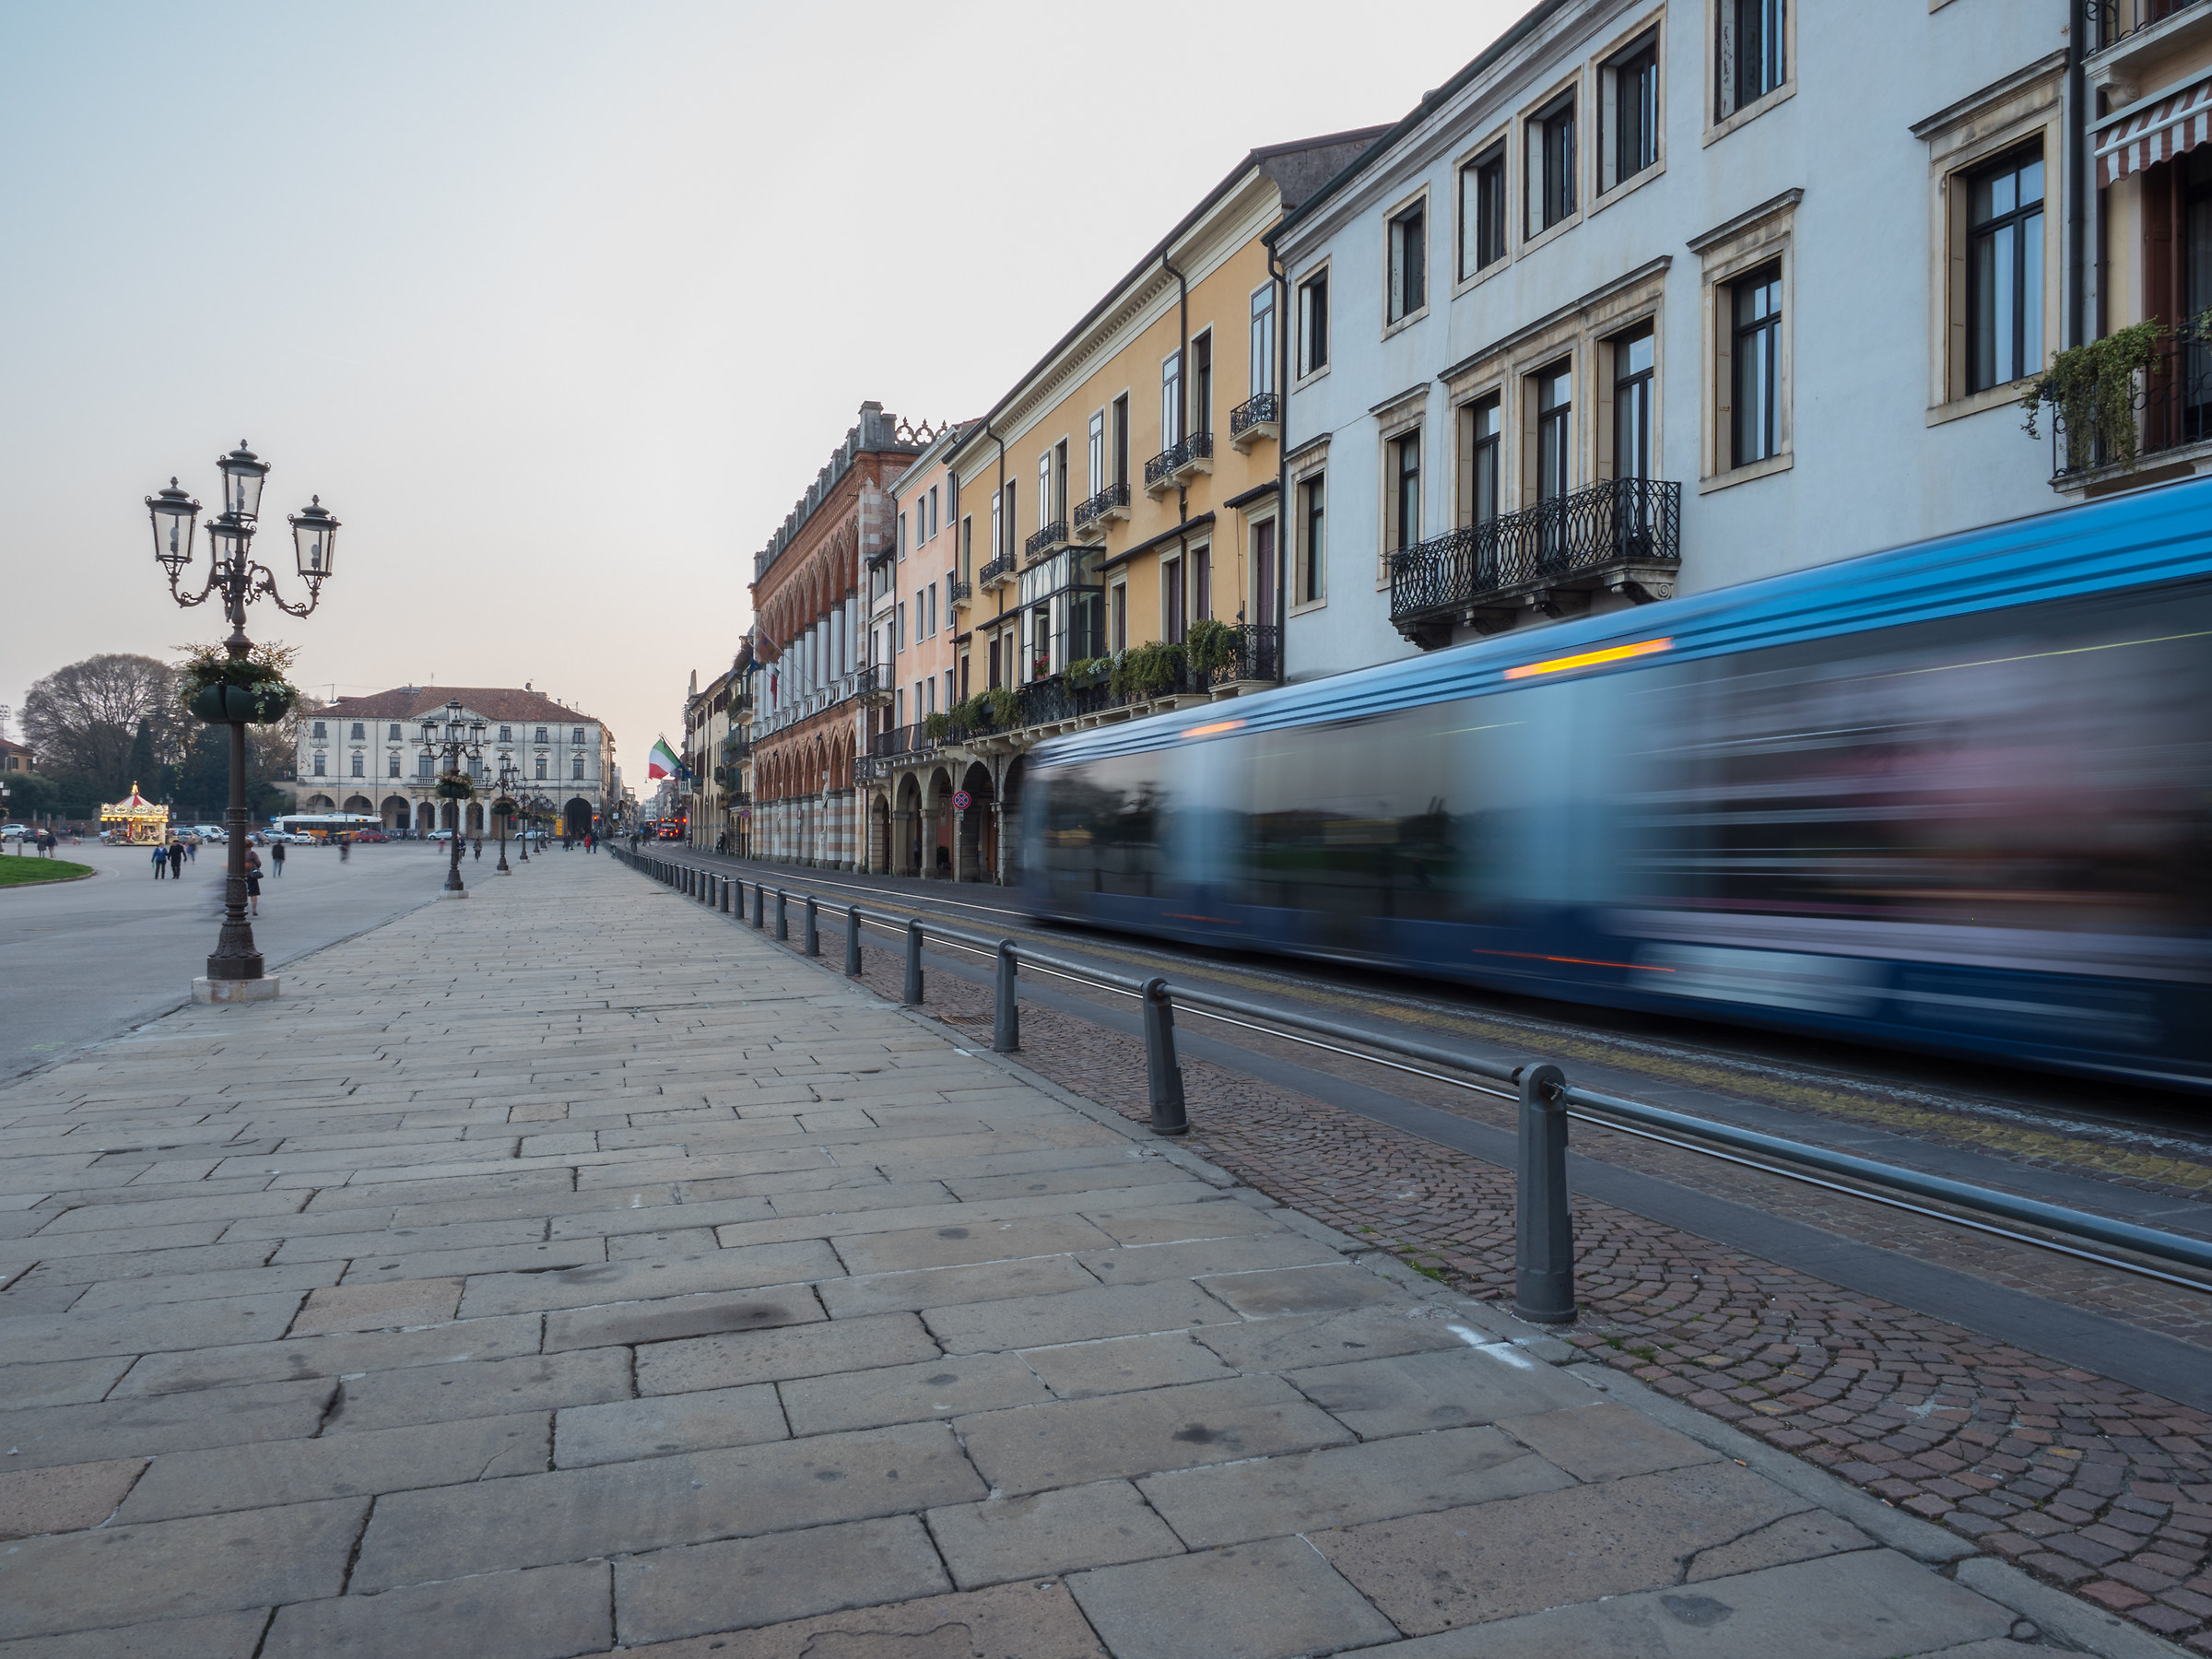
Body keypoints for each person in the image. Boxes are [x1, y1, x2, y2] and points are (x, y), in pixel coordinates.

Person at [244, 844, 263, 915]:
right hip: (251, 875)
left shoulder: (238, 853)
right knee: (253, 893)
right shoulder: (252, 854)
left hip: (241, 875)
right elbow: (259, 863)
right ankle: (254, 909)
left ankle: (242, 908)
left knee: (242, 892)